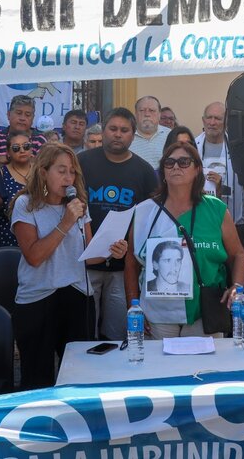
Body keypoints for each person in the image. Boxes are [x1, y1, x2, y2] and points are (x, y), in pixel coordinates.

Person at [11, 143, 126, 388]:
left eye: (72, 172)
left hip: (77, 296)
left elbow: (86, 254)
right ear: (43, 172)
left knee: (80, 374)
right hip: (38, 298)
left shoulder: (77, 206)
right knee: (36, 378)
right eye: (61, 170)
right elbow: (34, 256)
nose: (68, 177)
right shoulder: (26, 204)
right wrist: (66, 222)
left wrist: (111, 252)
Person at [126, 142, 244, 339]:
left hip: (205, 312)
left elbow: (238, 254)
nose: (175, 167)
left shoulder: (216, 209)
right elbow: (131, 262)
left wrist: (237, 287)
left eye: (184, 162)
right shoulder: (143, 211)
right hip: (157, 315)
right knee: (162, 370)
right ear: (162, 170)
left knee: (204, 369)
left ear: (197, 169)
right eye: (169, 162)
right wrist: (133, 306)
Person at [79, 108, 158, 340]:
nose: (118, 134)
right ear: (103, 132)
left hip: (123, 267)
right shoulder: (82, 162)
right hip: (85, 263)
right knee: (84, 332)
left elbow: (149, 218)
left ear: (133, 135)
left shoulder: (144, 171)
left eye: (124, 130)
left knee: (117, 333)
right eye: (113, 129)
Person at [195, 102, 244, 247]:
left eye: (218, 119)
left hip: (234, 221)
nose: (212, 123)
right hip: (200, 222)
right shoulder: (193, 147)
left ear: (226, 122)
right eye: (209, 117)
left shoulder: (238, 148)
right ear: (203, 120)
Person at [0, 130, 33, 248]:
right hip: (7, 237)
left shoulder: (41, 172)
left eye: (26, 146)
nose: (22, 150)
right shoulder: (1, 173)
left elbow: (46, 194)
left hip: (37, 236)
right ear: (8, 152)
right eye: (16, 148)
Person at [0, 95, 47, 164]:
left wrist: (6, 159)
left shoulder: (40, 140)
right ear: (8, 115)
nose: (22, 118)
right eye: (19, 113)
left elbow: (43, 166)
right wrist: (28, 160)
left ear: (33, 118)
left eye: (28, 115)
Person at [129, 96, 171, 169]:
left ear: (159, 114)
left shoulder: (170, 135)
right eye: (142, 110)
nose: (147, 114)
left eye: (152, 110)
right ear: (135, 114)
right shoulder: (127, 136)